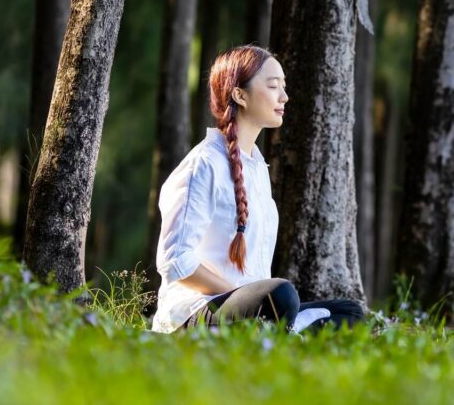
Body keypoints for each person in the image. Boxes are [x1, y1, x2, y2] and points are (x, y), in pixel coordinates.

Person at [151, 44, 363, 334]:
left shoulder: (256, 169)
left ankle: (280, 332)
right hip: (196, 313)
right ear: (240, 94)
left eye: (283, 87)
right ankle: (284, 331)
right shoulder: (204, 165)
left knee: (349, 312)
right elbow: (175, 262)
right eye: (273, 86)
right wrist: (239, 293)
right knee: (280, 296)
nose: (284, 97)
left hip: (250, 307)